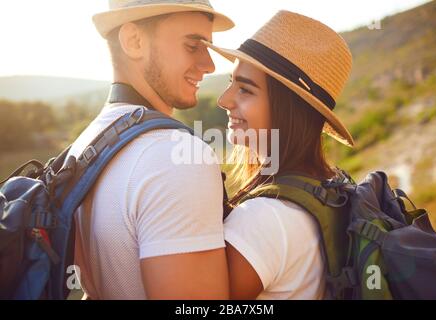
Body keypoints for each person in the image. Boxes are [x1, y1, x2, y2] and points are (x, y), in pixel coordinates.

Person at [68, 0, 234, 299]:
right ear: (134, 41)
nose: (210, 65)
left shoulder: (84, 143)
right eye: (193, 45)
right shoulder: (176, 158)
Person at [204, 10, 355, 299]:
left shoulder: (264, 217)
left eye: (245, 89)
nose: (224, 100)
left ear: (288, 108)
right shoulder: (333, 187)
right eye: (230, 82)